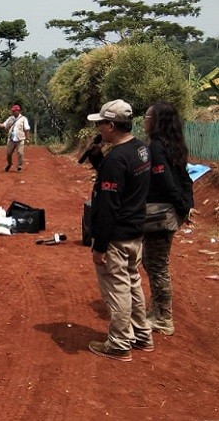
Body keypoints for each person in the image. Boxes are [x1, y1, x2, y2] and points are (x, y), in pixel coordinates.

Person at [86, 99, 153, 361]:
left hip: (116, 235)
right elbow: (126, 185)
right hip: (135, 230)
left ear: (112, 126)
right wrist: (98, 162)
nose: (99, 128)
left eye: (101, 123)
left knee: (117, 289)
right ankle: (142, 334)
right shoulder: (141, 150)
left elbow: (108, 206)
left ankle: (119, 343)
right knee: (132, 282)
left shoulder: (116, 158)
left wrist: (100, 245)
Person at [141, 101, 194, 336]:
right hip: (169, 212)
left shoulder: (155, 147)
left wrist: (182, 207)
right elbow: (186, 180)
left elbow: (167, 183)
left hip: (160, 215)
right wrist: (187, 206)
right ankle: (157, 311)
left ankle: (163, 318)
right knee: (151, 261)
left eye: (147, 117)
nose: (144, 121)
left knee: (157, 265)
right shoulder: (175, 146)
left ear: (156, 122)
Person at [0, 104, 30, 172]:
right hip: (11, 139)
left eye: (14, 111)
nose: (13, 112)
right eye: (12, 111)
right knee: (8, 153)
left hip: (20, 139)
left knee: (20, 153)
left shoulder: (23, 119)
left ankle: (19, 166)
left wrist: (27, 139)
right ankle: (9, 163)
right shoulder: (11, 118)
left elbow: (27, 129)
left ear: (18, 111)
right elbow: (4, 125)